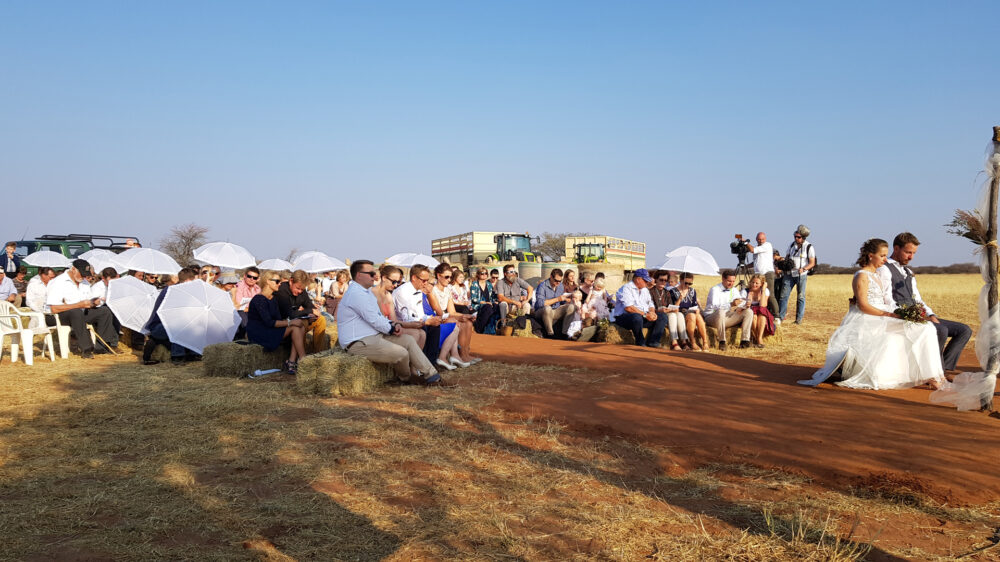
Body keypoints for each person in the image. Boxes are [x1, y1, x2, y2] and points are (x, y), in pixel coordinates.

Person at [801, 238, 945, 389]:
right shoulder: (862, 275)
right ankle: (931, 377)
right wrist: (889, 315)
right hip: (869, 317)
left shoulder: (877, 275)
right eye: (882, 256)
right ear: (871, 256)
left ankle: (934, 375)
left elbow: (886, 299)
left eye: (885, 255)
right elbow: (863, 305)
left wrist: (901, 313)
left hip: (883, 313)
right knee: (923, 329)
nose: (885, 259)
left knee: (927, 327)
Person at [339, 260, 447, 386]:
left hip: (372, 336)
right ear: (358, 275)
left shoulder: (365, 292)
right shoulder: (356, 294)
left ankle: (433, 377)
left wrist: (394, 325)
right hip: (357, 342)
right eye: (371, 273)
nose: (375, 276)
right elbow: (374, 319)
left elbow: (379, 317)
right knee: (402, 353)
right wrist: (392, 328)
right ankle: (406, 378)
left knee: (408, 340)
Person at [879, 232, 972, 372]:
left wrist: (931, 314)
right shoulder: (884, 269)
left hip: (919, 315)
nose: (911, 257)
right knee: (941, 330)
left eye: (914, 253)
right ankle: (933, 372)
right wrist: (910, 315)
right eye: (908, 252)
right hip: (901, 317)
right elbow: (888, 300)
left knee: (964, 330)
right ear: (896, 248)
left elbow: (917, 299)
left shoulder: (908, 272)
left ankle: (943, 368)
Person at [393, 264, 463, 372]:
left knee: (435, 326)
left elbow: (420, 314)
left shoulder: (418, 291)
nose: (426, 283)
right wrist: (427, 321)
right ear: (414, 278)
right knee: (425, 329)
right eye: (423, 280)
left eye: (427, 280)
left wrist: (431, 319)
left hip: (415, 322)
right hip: (403, 324)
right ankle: (420, 366)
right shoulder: (403, 292)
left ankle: (430, 363)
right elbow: (406, 318)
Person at [46, 259, 117, 358]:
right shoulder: (58, 282)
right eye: (82, 274)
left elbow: (86, 302)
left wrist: (93, 303)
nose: (84, 277)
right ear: (73, 269)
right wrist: (78, 305)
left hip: (81, 312)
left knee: (104, 311)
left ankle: (102, 347)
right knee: (76, 312)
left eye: (85, 274)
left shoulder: (84, 283)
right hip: (60, 315)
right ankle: (87, 349)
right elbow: (54, 308)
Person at [246, 270, 307, 374]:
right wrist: (290, 323)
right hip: (260, 333)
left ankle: (293, 361)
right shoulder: (258, 299)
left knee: (299, 325)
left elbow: (277, 319)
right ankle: (303, 360)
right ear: (268, 281)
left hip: (270, 329)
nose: (280, 283)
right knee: (294, 326)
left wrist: (292, 321)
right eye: (277, 281)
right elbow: (269, 322)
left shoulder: (273, 298)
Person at [143, 266, 200, 365]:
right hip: (159, 327)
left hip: (172, 327)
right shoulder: (170, 291)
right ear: (187, 281)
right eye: (194, 281)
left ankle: (193, 353)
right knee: (178, 324)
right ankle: (177, 356)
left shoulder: (187, 292)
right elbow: (172, 316)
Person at [431, 263, 479, 364]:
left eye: (451, 277)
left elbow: (452, 311)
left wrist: (465, 316)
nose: (449, 280)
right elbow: (439, 313)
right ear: (439, 276)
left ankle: (465, 353)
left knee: (468, 322)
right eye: (447, 277)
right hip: (436, 317)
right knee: (458, 323)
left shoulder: (447, 290)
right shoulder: (433, 291)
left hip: (445, 315)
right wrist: (458, 318)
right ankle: (459, 355)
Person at [372, 264, 426, 349]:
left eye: (398, 282)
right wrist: (410, 325)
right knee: (416, 333)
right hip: (378, 331)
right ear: (384, 278)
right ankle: (405, 359)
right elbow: (382, 321)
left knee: (422, 333)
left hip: (388, 326)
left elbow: (393, 320)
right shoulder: (373, 293)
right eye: (394, 282)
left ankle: (412, 361)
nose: (396, 285)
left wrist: (411, 324)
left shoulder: (388, 295)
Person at [274, 269, 328, 353]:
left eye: (302, 289)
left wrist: (312, 314)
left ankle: (317, 352)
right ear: (291, 281)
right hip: (283, 325)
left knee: (321, 319)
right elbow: (289, 314)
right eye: (298, 288)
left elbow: (310, 306)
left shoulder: (302, 291)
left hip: (295, 319)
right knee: (302, 322)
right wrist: (309, 311)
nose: (300, 291)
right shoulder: (281, 291)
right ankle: (302, 356)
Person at [612, 268, 667, 347]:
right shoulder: (626, 288)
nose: (647, 282)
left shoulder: (645, 290)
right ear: (638, 279)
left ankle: (654, 341)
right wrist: (645, 315)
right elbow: (629, 308)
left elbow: (650, 304)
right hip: (625, 318)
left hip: (642, 316)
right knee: (636, 317)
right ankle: (640, 341)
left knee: (662, 316)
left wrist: (652, 312)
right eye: (645, 280)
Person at [703, 269, 754, 351]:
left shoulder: (734, 290)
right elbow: (715, 306)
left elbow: (739, 302)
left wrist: (745, 305)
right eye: (729, 281)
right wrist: (731, 304)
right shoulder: (715, 289)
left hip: (727, 317)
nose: (732, 283)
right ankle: (722, 341)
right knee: (721, 311)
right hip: (712, 317)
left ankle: (745, 341)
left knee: (749, 311)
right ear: (723, 279)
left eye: (733, 281)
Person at [778, 224, 816, 325]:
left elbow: (812, 263)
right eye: (795, 236)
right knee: (783, 296)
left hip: (801, 275)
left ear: (803, 237)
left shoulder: (809, 247)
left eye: (798, 237)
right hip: (789, 274)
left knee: (800, 296)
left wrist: (803, 269)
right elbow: (786, 257)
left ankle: (798, 319)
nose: (796, 238)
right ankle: (780, 317)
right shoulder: (791, 245)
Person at [533, 268, 577, 338]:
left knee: (572, 307)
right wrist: (557, 299)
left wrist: (567, 299)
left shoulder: (560, 286)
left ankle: (564, 333)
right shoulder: (542, 286)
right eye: (556, 280)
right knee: (547, 308)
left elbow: (561, 302)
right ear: (551, 277)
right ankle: (550, 333)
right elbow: (540, 303)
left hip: (555, 310)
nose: (558, 283)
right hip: (542, 311)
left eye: (560, 281)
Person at [649, 270, 687, 350]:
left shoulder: (667, 292)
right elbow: (648, 307)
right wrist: (659, 310)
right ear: (656, 279)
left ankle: (683, 342)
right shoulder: (650, 291)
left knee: (679, 314)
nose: (663, 282)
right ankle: (674, 342)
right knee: (673, 315)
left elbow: (672, 306)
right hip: (657, 314)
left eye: (665, 280)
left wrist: (678, 302)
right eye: (661, 280)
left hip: (667, 313)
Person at [746, 232, 779, 315]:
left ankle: (777, 315)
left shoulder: (767, 245)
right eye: (759, 239)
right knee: (760, 294)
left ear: (765, 239)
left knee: (770, 295)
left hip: (767, 273)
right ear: (756, 239)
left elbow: (752, 250)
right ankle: (764, 312)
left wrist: (746, 243)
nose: (761, 241)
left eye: (762, 239)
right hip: (758, 275)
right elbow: (756, 262)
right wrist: (745, 266)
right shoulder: (757, 247)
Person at [676, 273, 708, 351]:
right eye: (686, 283)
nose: (688, 285)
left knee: (698, 316)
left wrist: (697, 309)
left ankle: (705, 342)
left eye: (690, 283)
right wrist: (680, 299)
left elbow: (694, 304)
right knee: (692, 316)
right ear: (680, 281)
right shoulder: (673, 291)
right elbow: (673, 307)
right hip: (681, 313)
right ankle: (693, 342)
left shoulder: (692, 291)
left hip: (692, 311)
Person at [495, 264, 533, 328]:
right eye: (511, 272)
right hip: (508, 306)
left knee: (527, 305)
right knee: (502, 304)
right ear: (505, 274)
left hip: (518, 306)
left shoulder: (518, 280)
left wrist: (526, 300)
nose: (513, 274)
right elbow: (500, 297)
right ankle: (503, 325)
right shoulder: (500, 282)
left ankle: (525, 327)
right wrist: (514, 302)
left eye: (514, 271)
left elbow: (530, 288)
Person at [745, 274, 775, 347]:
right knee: (753, 316)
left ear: (762, 284)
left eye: (757, 283)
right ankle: (756, 337)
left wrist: (764, 290)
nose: (754, 285)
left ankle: (759, 338)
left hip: (761, 311)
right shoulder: (745, 291)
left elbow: (763, 305)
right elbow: (744, 305)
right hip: (750, 310)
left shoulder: (765, 291)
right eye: (752, 282)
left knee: (762, 315)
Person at [469, 266, 499, 334]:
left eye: (486, 273)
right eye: (482, 273)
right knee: (488, 308)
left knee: (496, 306)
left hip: (488, 304)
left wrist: (495, 301)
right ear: (478, 275)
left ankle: (491, 328)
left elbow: (492, 297)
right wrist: (485, 302)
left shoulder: (489, 284)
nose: (484, 275)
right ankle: (479, 328)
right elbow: (474, 299)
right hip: (478, 305)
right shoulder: (475, 284)